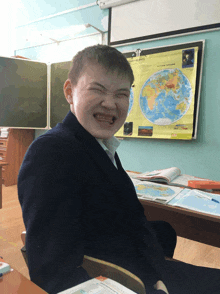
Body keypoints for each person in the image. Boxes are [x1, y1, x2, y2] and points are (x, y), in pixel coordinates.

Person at [18, 45, 220, 294]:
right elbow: (53, 272)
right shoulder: (51, 154)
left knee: (164, 230)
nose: (111, 104)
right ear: (70, 92)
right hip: (125, 282)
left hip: (145, 267)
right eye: (98, 90)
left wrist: (155, 272)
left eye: (122, 94)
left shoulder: (95, 143)